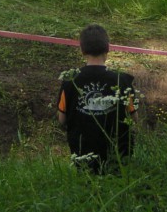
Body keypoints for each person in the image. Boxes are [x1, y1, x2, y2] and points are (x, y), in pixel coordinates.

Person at [57, 24, 137, 173]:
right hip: (118, 153)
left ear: (82, 50)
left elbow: (61, 119)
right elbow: (134, 117)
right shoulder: (123, 81)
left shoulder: (70, 81)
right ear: (108, 48)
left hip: (83, 152)